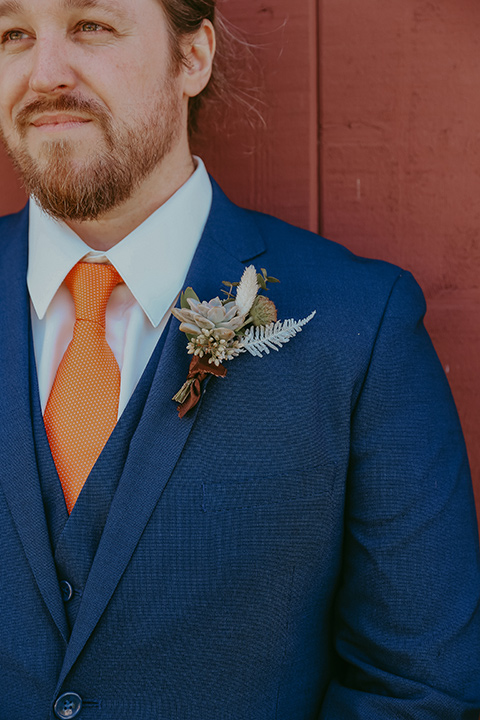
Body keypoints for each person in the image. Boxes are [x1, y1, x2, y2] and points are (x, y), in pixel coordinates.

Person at [0, 0, 478, 718]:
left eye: (91, 25)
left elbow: (418, 690)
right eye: (13, 33)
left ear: (193, 57)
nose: (44, 73)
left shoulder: (360, 326)